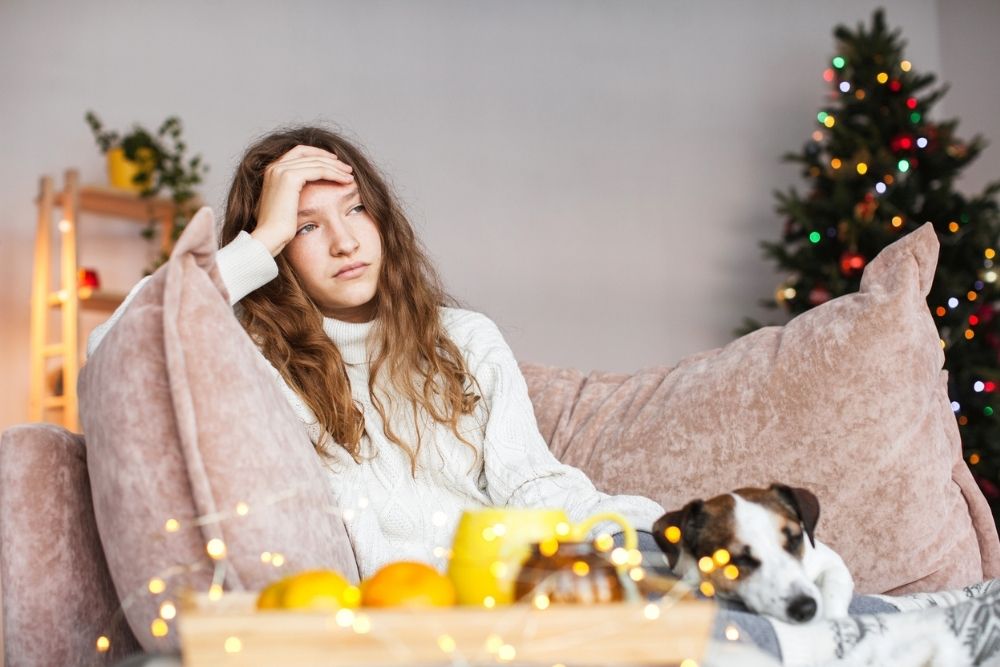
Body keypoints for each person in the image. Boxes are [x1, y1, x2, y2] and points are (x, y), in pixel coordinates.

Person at [87, 125, 1000, 666]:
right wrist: (256, 238)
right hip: (456, 604)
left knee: (748, 592)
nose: (342, 240)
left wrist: (625, 535)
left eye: (354, 208)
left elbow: (533, 483)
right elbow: (128, 349)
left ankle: (929, 630)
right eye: (306, 226)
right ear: (276, 246)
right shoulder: (251, 358)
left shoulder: (463, 340)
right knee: (701, 638)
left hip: (562, 556)